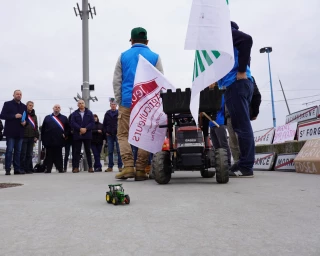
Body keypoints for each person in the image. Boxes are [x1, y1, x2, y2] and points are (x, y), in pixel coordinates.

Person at [113, 27, 163, 181]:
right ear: (147, 41)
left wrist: (120, 101)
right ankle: (141, 170)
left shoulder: (123, 56)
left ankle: (128, 167)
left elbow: (117, 81)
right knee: (144, 134)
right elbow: (160, 81)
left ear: (131, 40)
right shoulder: (155, 57)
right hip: (146, 103)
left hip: (127, 101)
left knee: (122, 135)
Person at [217, 21, 255, 177]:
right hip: (238, 84)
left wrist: (240, 71)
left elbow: (247, 39)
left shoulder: (228, 34)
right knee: (241, 125)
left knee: (242, 126)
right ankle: (242, 163)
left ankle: (246, 166)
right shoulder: (229, 42)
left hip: (236, 83)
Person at [226, 76, 261, 163]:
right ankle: (237, 162)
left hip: (242, 112)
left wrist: (255, 112)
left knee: (242, 138)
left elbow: (256, 96)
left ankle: (246, 163)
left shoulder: (248, 78)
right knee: (232, 141)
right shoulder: (225, 79)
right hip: (229, 115)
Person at [0, 90, 27, 175]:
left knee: (18, 152)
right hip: (10, 131)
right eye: (17, 94)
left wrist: (25, 122)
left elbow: (26, 118)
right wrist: (14, 116)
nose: (19, 95)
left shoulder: (24, 106)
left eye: (20, 94)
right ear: (13, 95)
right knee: (9, 151)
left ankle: (17, 169)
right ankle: (7, 169)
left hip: (20, 132)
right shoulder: (7, 104)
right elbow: (2, 115)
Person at [41, 104, 69, 173]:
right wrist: (43, 140)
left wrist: (65, 134)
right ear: (53, 108)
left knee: (59, 155)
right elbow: (43, 129)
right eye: (55, 107)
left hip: (59, 139)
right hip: (49, 140)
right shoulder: (47, 117)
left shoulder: (64, 118)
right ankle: (48, 169)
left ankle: (60, 169)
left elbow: (68, 129)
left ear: (60, 109)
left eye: (58, 107)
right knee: (49, 155)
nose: (57, 108)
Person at [71, 100, 95, 173]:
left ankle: (90, 167)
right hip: (78, 134)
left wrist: (86, 129)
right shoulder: (74, 114)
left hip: (87, 134)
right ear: (77, 105)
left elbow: (92, 123)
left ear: (84, 104)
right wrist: (80, 129)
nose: (81, 104)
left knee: (88, 151)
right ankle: (75, 167)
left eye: (82, 103)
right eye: (79, 103)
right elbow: (72, 123)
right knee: (77, 151)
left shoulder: (89, 113)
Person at [208, 94, 232, 168]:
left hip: (219, 123)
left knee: (223, 145)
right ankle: (220, 165)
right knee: (216, 146)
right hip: (211, 125)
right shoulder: (208, 96)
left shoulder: (221, 95)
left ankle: (228, 164)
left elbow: (219, 106)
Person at [103, 100, 123, 172]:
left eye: (114, 104)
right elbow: (104, 124)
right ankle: (110, 167)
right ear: (110, 105)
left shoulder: (119, 113)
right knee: (110, 151)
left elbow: (122, 123)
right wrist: (106, 132)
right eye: (112, 104)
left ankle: (120, 166)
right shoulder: (107, 113)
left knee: (119, 151)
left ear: (116, 105)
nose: (113, 105)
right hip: (109, 135)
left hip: (118, 134)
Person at [20, 101, 39, 174]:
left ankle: (28, 168)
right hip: (24, 136)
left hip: (31, 136)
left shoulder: (34, 116)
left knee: (29, 154)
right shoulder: (24, 114)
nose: (31, 107)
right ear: (26, 106)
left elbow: (36, 126)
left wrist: (36, 136)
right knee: (23, 153)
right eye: (30, 105)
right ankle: (22, 168)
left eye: (32, 105)